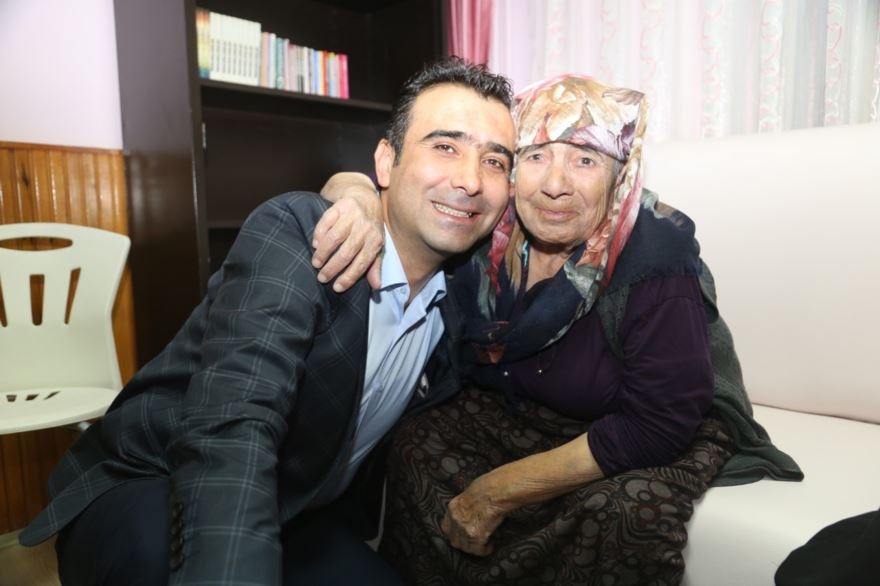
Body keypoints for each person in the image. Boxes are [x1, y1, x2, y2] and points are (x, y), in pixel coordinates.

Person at [16, 56, 516, 586]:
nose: (470, 180)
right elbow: (234, 424)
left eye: (495, 161)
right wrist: (354, 190)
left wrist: (352, 186)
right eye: (445, 147)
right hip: (151, 479)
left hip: (294, 508)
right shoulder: (302, 236)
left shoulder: (467, 295)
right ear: (386, 162)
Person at [314, 74, 803, 585]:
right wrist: (357, 196)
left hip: (636, 421)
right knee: (415, 442)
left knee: (625, 516)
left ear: (620, 176)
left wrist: (498, 491)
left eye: (585, 160)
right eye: (536, 156)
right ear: (509, 169)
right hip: (526, 408)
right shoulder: (488, 223)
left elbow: (660, 420)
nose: (555, 184)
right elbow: (385, 191)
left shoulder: (655, 254)